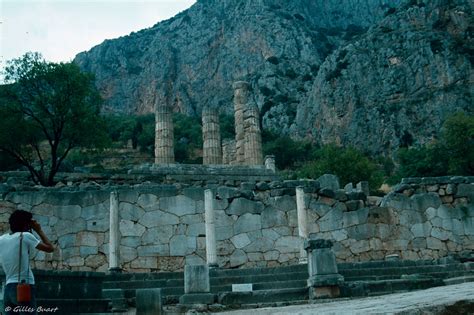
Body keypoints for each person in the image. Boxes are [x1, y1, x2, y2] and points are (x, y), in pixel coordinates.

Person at [0, 210, 54, 315]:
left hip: (8, 288)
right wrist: (39, 230)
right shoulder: (25, 236)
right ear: (26, 224)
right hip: (24, 286)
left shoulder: (2, 239)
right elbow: (50, 248)